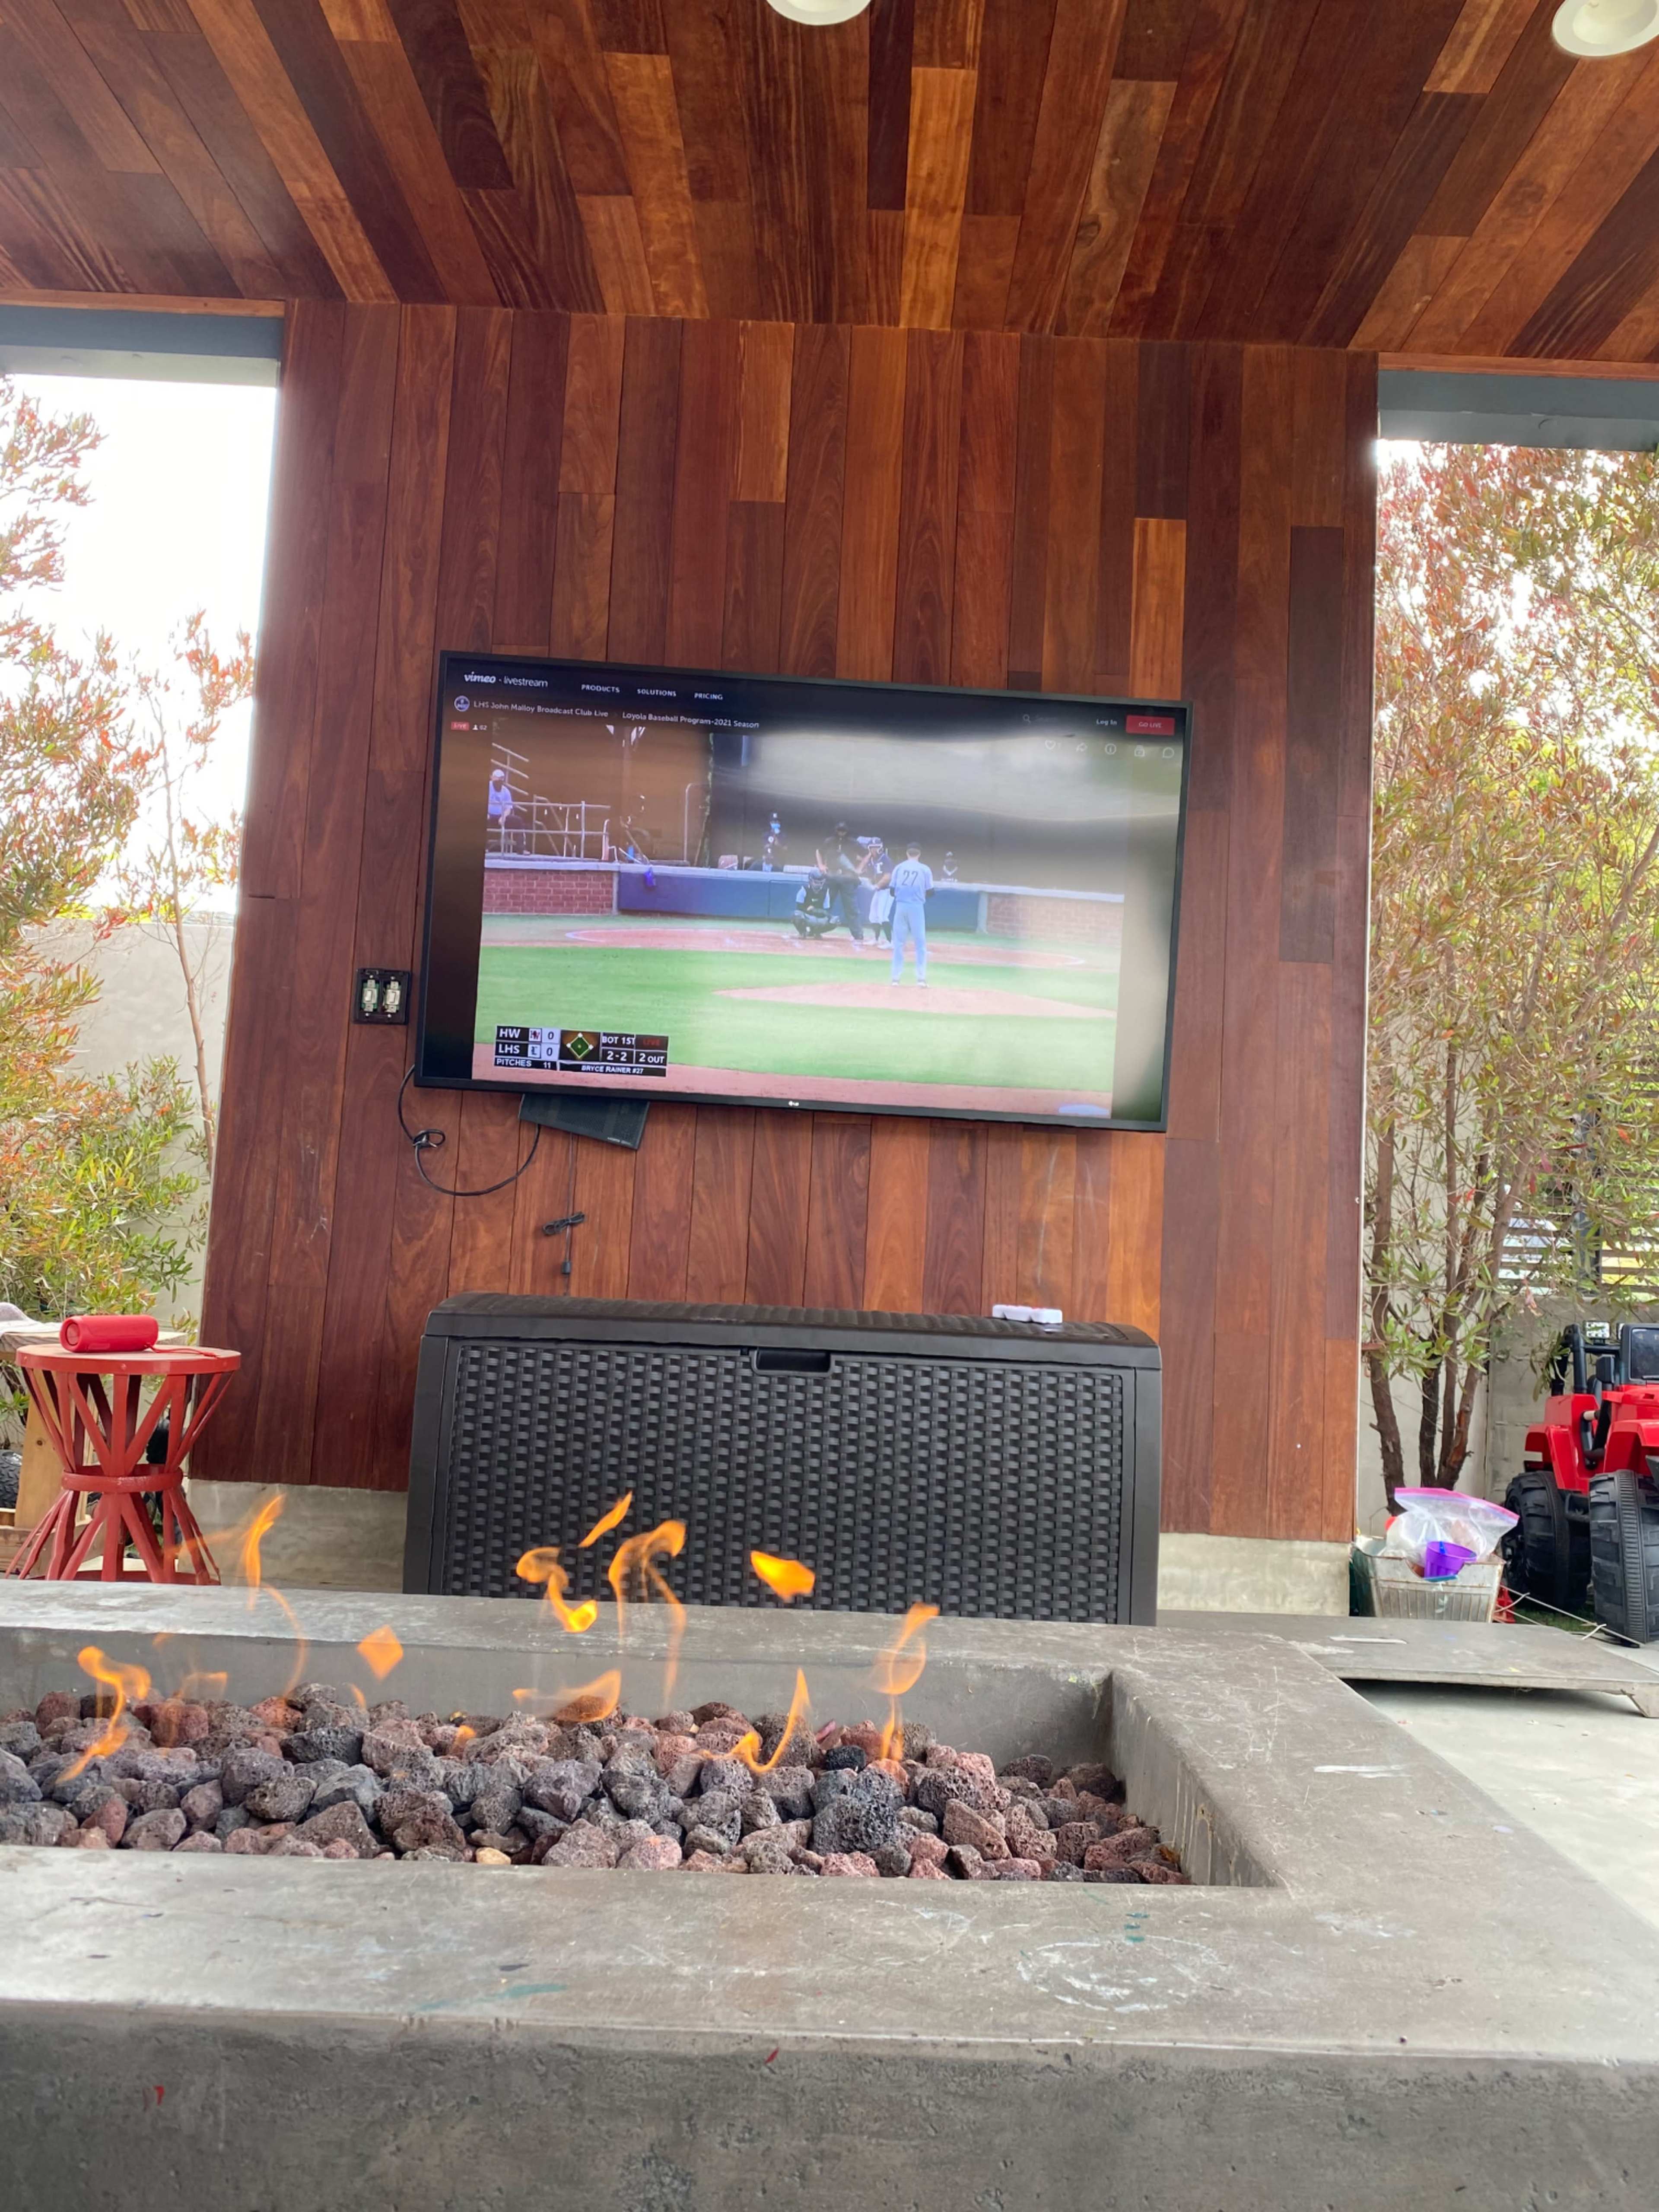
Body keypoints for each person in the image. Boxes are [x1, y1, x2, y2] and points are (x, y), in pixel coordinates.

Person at [888, 842, 933, 985]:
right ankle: (921, 978)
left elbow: (892, 891)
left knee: (899, 943)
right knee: (920, 943)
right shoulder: (925, 869)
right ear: (919, 854)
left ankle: (896, 978)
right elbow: (931, 891)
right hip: (917, 907)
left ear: (907, 853)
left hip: (901, 906)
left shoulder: (899, 868)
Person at [814, 820, 865, 941]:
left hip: (847, 878)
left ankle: (858, 934)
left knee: (851, 908)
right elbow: (819, 851)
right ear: (836, 831)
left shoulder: (853, 843)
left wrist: (859, 869)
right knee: (826, 905)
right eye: (839, 831)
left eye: (843, 831)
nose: (841, 834)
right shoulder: (830, 841)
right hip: (832, 876)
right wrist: (821, 865)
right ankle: (817, 930)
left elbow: (866, 855)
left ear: (847, 832)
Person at [487, 766, 517, 852]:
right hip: (489, 815)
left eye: (501, 779)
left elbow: (509, 808)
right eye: (497, 778)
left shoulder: (506, 791)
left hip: (501, 816)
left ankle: (521, 849)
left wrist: (504, 817)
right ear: (492, 777)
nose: (499, 780)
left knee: (518, 821)